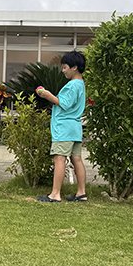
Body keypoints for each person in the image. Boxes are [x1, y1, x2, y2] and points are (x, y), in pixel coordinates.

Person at [35, 51, 87, 203]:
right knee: (76, 158)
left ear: (74, 67)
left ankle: (55, 194)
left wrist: (45, 94)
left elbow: (63, 103)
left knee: (59, 158)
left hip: (64, 128)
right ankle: (81, 193)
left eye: (65, 67)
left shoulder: (72, 85)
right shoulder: (81, 84)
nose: (63, 70)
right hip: (75, 127)